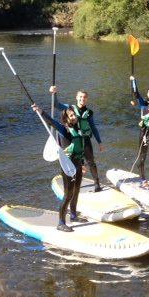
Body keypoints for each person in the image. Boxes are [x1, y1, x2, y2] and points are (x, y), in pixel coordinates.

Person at [33, 104, 88, 232]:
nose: (74, 117)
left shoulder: (78, 128)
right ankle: (61, 222)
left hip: (78, 164)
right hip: (68, 166)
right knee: (68, 195)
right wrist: (41, 111)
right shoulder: (64, 129)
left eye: (74, 115)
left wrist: (83, 163)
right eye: (71, 116)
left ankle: (74, 215)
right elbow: (51, 122)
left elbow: (80, 147)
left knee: (76, 191)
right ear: (66, 118)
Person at [49, 86, 103, 191]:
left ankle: (97, 183)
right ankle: (74, 182)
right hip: (74, 141)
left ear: (87, 99)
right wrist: (54, 93)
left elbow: (93, 128)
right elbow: (56, 104)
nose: (82, 99)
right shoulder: (70, 108)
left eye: (84, 97)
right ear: (76, 97)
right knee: (75, 162)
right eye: (80, 97)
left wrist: (99, 142)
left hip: (86, 140)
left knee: (91, 162)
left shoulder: (89, 113)